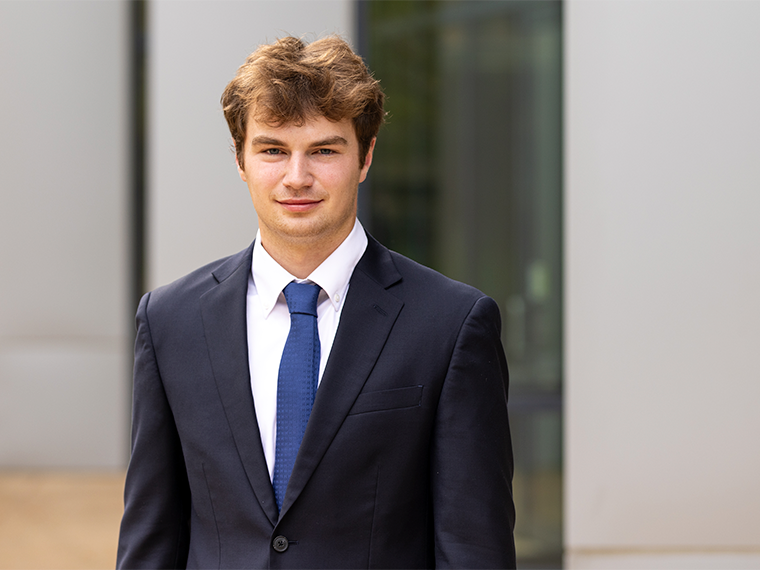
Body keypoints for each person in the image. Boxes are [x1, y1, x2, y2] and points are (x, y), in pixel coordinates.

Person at [116, 35, 515, 569]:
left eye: (324, 150)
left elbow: (474, 549)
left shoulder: (451, 325)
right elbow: (151, 540)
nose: (297, 177)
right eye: (272, 150)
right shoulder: (169, 323)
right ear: (240, 158)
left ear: (365, 156)